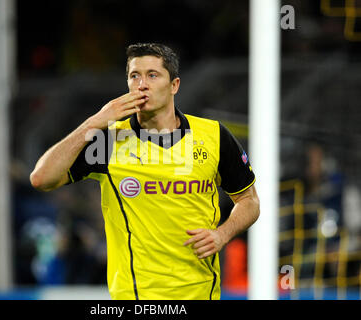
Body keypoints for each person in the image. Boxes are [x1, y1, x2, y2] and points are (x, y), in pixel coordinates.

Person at [30, 43, 260, 300]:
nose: (142, 84)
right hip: (136, 298)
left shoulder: (213, 136)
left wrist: (222, 234)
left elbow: (249, 201)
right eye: (134, 76)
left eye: (152, 75)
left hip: (201, 294)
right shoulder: (109, 141)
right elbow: (41, 178)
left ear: (174, 85)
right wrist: (95, 122)